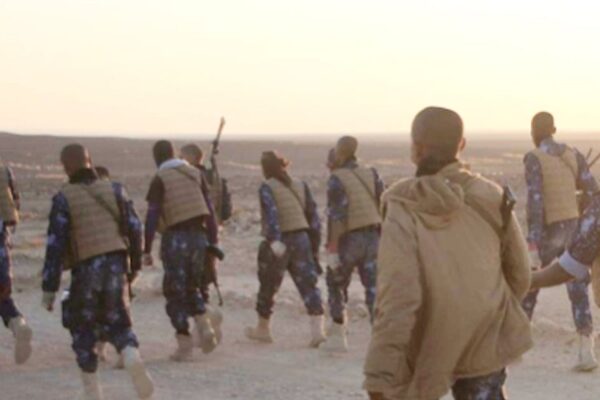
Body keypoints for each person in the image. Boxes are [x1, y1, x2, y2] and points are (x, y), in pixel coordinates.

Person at [364, 107, 533, 400]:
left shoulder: (402, 205)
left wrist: (380, 376)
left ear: (416, 149)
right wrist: (487, 307)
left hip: (429, 342)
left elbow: (398, 297)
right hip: (484, 336)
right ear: (461, 144)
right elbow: (520, 275)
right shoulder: (491, 195)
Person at [41, 144, 153, 399]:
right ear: (89, 160)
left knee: (82, 327)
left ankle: (92, 392)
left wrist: (49, 287)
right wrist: (134, 266)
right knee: (118, 320)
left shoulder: (63, 198)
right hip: (116, 264)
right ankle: (131, 354)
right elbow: (135, 227)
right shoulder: (115, 189)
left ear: (66, 167)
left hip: (86, 269)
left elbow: (55, 245)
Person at [521, 111, 597, 371]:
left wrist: (532, 242)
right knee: (578, 288)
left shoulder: (534, 157)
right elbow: (592, 190)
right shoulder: (573, 155)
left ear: (533, 133)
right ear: (554, 129)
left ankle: (516, 345)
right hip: (574, 227)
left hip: (548, 231)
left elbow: (535, 202)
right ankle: (586, 351)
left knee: (531, 284)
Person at [143, 140, 221, 361]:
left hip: (176, 238)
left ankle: (184, 343)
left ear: (156, 158)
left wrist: (146, 248)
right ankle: (204, 324)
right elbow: (210, 211)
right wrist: (213, 241)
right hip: (199, 238)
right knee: (192, 285)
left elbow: (152, 215)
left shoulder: (160, 178)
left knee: (174, 291)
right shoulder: (195, 173)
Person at [245, 151, 326, 347]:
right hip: (302, 239)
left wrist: (274, 240)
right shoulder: (301, 185)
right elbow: (314, 219)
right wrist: (314, 248)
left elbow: (271, 215)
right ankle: (318, 332)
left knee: (268, 285)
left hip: (281, 241)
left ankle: (263, 329)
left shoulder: (267, 187)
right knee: (309, 285)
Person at [321, 136, 384, 353]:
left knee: (336, 283)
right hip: (374, 237)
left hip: (349, 240)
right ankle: (380, 341)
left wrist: (333, 249)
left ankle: (338, 337)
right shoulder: (371, 173)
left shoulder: (336, 179)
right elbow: (383, 205)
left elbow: (337, 217)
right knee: (374, 289)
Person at [180, 143, 224, 341]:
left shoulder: (191, 179)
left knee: (191, 284)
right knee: (203, 282)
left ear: (190, 157)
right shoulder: (212, 177)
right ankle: (207, 325)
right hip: (212, 235)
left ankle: (206, 321)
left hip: (194, 236)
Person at [0, 162, 32, 365]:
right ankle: (18, 323)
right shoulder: (4, 171)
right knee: (2, 295)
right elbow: (15, 203)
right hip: (1, 244)